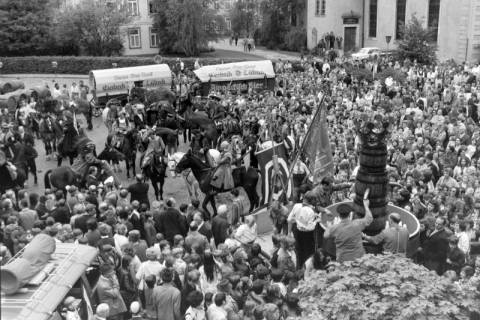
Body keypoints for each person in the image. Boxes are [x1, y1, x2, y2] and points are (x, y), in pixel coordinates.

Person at [323, 194, 373, 263]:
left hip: (343, 260)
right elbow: (369, 219)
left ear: (339, 215)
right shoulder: (357, 224)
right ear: (349, 214)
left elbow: (325, 235)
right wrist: (366, 206)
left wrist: (328, 227)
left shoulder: (335, 228)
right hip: (359, 257)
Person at [287, 191, 322, 268]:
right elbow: (310, 228)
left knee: (299, 251)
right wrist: (317, 220)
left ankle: (299, 267)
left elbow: (289, 219)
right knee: (309, 253)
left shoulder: (296, 206)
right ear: (312, 200)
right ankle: (308, 267)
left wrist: (289, 233)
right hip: (307, 235)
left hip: (296, 231)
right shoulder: (310, 211)